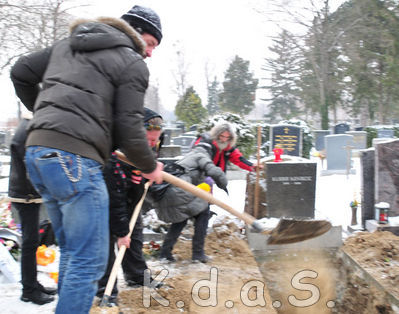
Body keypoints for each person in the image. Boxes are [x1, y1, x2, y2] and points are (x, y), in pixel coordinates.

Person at [10, 5, 164, 314]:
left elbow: (21, 71)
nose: (149, 54)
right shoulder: (131, 62)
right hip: (75, 162)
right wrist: (150, 166)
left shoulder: (68, 44)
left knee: (72, 250)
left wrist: (45, 116)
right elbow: (130, 126)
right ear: (134, 32)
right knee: (90, 260)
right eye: (150, 43)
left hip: (38, 153)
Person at [97, 108, 164, 305]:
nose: (152, 145)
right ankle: (105, 290)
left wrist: (146, 176)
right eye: (148, 141)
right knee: (108, 243)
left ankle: (136, 275)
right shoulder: (115, 154)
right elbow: (115, 198)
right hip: (107, 199)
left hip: (130, 194)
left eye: (155, 141)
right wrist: (121, 232)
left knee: (134, 235)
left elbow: (141, 180)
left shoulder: (149, 147)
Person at [150, 142, 228, 263]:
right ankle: (198, 254)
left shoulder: (188, 156)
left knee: (180, 221)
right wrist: (223, 184)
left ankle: (165, 253)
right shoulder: (201, 156)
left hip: (171, 193)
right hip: (181, 192)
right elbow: (213, 171)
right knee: (203, 212)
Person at [8, 115, 57, 305]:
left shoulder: (30, 126)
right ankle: (28, 290)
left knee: (33, 241)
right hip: (25, 194)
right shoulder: (29, 128)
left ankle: (33, 284)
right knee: (30, 243)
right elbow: (30, 162)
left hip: (28, 192)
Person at [193, 122, 262, 172]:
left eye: (227, 137)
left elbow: (239, 159)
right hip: (199, 173)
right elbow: (199, 157)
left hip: (213, 176)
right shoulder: (205, 141)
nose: (224, 140)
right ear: (216, 134)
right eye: (222, 136)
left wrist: (252, 166)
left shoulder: (228, 146)